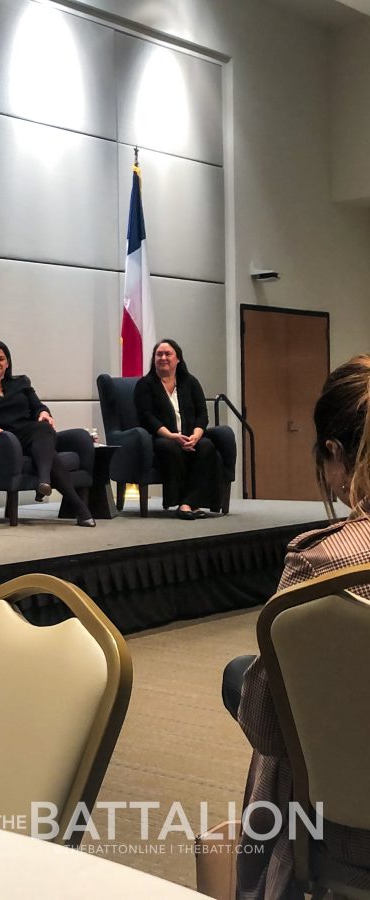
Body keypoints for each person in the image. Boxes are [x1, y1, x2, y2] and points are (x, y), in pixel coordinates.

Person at [227, 355, 370, 900]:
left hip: (347, 832)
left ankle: (267, 885)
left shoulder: (319, 566)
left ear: (332, 452)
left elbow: (264, 725)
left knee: (265, 708)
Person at [0, 340, 95, 527]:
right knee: (51, 455)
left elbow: (38, 406)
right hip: (4, 440)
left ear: (7, 363)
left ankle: (46, 483)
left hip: (30, 433)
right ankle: (77, 507)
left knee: (43, 427)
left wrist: (43, 413)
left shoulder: (21, 382)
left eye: (1, 359)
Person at [133, 338, 222, 519]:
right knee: (170, 448)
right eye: (159, 354)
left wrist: (196, 435)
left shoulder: (190, 382)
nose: (163, 357)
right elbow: (146, 417)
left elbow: (202, 414)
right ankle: (187, 503)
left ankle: (187, 503)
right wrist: (173, 436)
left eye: (168, 354)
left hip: (191, 436)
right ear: (154, 359)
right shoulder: (145, 385)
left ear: (178, 359)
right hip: (162, 438)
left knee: (206, 446)